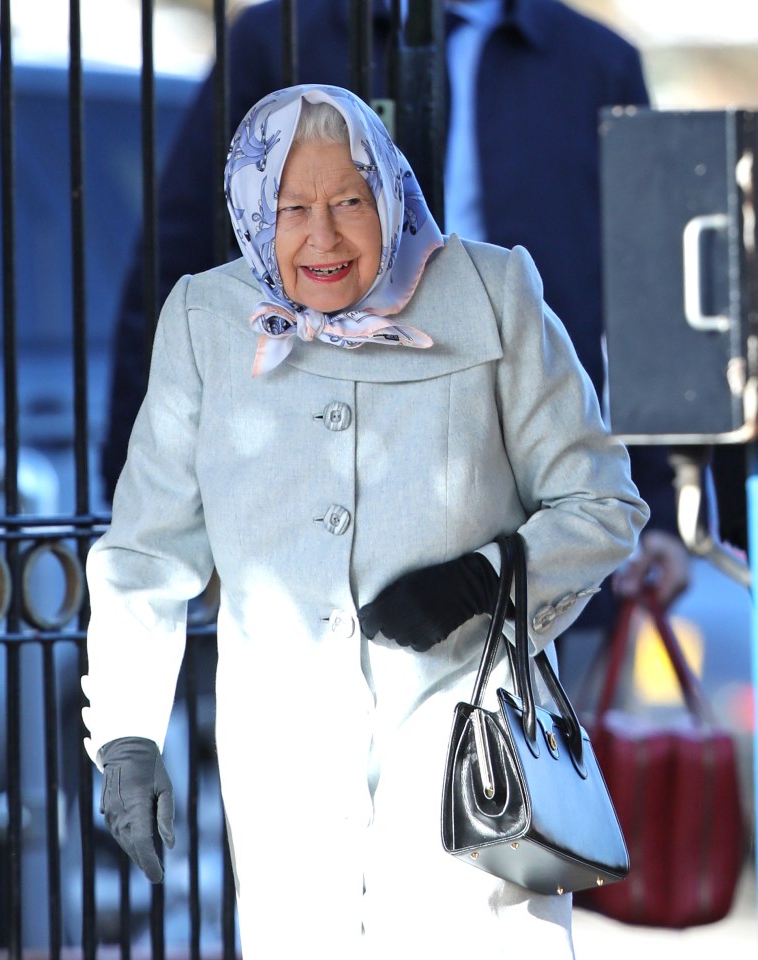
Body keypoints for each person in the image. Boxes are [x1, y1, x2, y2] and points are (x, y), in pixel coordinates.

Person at [83, 84, 648, 959]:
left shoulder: (491, 291)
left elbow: (603, 500)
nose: (324, 237)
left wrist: (484, 578)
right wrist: (127, 736)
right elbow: (145, 553)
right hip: (286, 766)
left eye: (349, 202)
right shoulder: (204, 320)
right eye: (291, 207)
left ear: (388, 190)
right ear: (250, 210)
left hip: (468, 753)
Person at [101, 0, 688, 626]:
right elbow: (179, 252)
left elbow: (648, 292)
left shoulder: (597, 61)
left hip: (530, 461)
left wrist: (660, 500)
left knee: (516, 711)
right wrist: (132, 495)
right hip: (315, 450)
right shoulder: (281, 37)